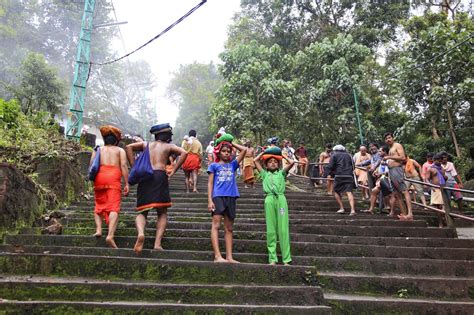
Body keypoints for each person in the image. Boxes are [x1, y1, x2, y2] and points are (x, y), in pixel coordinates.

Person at [125, 123, 187, 254]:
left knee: (142, 211)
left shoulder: (146, 144)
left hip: (145, 175)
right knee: (162, 212)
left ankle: (141, 233)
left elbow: (128, 147)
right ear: (167, 136)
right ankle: (157, 244)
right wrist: (174, 170)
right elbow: (184, 153)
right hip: (160, 175)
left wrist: (134, 166)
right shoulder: (169, 146)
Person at [207, 137, 247, 263]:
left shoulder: (233, 165)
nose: (226, 153)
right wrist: (209, 200)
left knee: (229, 228)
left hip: (231, 196)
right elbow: (210, 183)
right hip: (218, 196)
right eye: (224, 151)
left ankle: (229, 257)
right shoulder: (214, 166)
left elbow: (244, 150)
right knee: (216, 225)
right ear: (219, 152)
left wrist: (231, 143)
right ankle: (217, 256)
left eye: (229, 151)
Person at [254, 147, 294, 265]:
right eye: (270, 162)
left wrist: (281, 155)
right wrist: (263, 152)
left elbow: (292, 163)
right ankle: (272, 258)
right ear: (266, 164)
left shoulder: (282, 173)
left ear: (279, 164)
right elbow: (255, 161)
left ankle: (286, 259)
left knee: (283, 229)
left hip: (281, 199)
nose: (273, 163)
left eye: (275, 162)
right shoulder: (264, 174)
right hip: (269, 199)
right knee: (271, 230)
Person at [91, 125, 129, 248]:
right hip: (113, 178)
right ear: (116, 140)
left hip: (99, 178)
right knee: (113, 208)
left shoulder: (97, 149)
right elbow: (123, 166)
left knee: (98, 205)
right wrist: (127, 183)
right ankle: (110, 235)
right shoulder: (120, 151)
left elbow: (92, 165)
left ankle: (98, 230)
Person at [383, 132, 414, 221]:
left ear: (393, 138)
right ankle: (404, 214)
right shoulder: (390, 149)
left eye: (389, 137)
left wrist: (389, 157)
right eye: (386, 139)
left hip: (397, 170)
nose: (388, 140)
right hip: (391, 171)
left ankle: (410, 213)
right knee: (397, 194)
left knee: (404, 191)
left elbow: (403, 157)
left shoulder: (397, 145)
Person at [361, 146, 392, 214]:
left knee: (389, 195)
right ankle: (371, 209)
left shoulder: (389, 160)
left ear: (385, 152)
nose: (378, 152)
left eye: (380, 151)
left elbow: (389, 171)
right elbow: (381, 169)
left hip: (388, 179)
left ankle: (390, 209)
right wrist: (376, 172)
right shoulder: (381, 160)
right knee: (374, 191)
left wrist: (380, 174)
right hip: (382, 179)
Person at [327, 145, 356, 215]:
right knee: (349, 192)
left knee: (336, 191)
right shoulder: (349, 155)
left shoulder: (334, 155)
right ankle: (352, 210)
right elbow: (353, 165)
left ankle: (342, 208)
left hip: (339, 175)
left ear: (335, 150)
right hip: (349, 175)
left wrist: (330, 173)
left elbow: (330, 166)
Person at [428, 153, 448, 227]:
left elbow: (444, 177)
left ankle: (444, 219)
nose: (440, 163)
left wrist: (445, 177)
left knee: (443, 206)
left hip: (443, 188)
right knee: (437, 206)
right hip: (435, 189)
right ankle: (440, 223)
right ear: (434, 160)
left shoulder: (442, 168)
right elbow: (427, 179)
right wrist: (431, 186)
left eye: (441, 161)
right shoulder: (431, 169)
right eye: (438, 161)